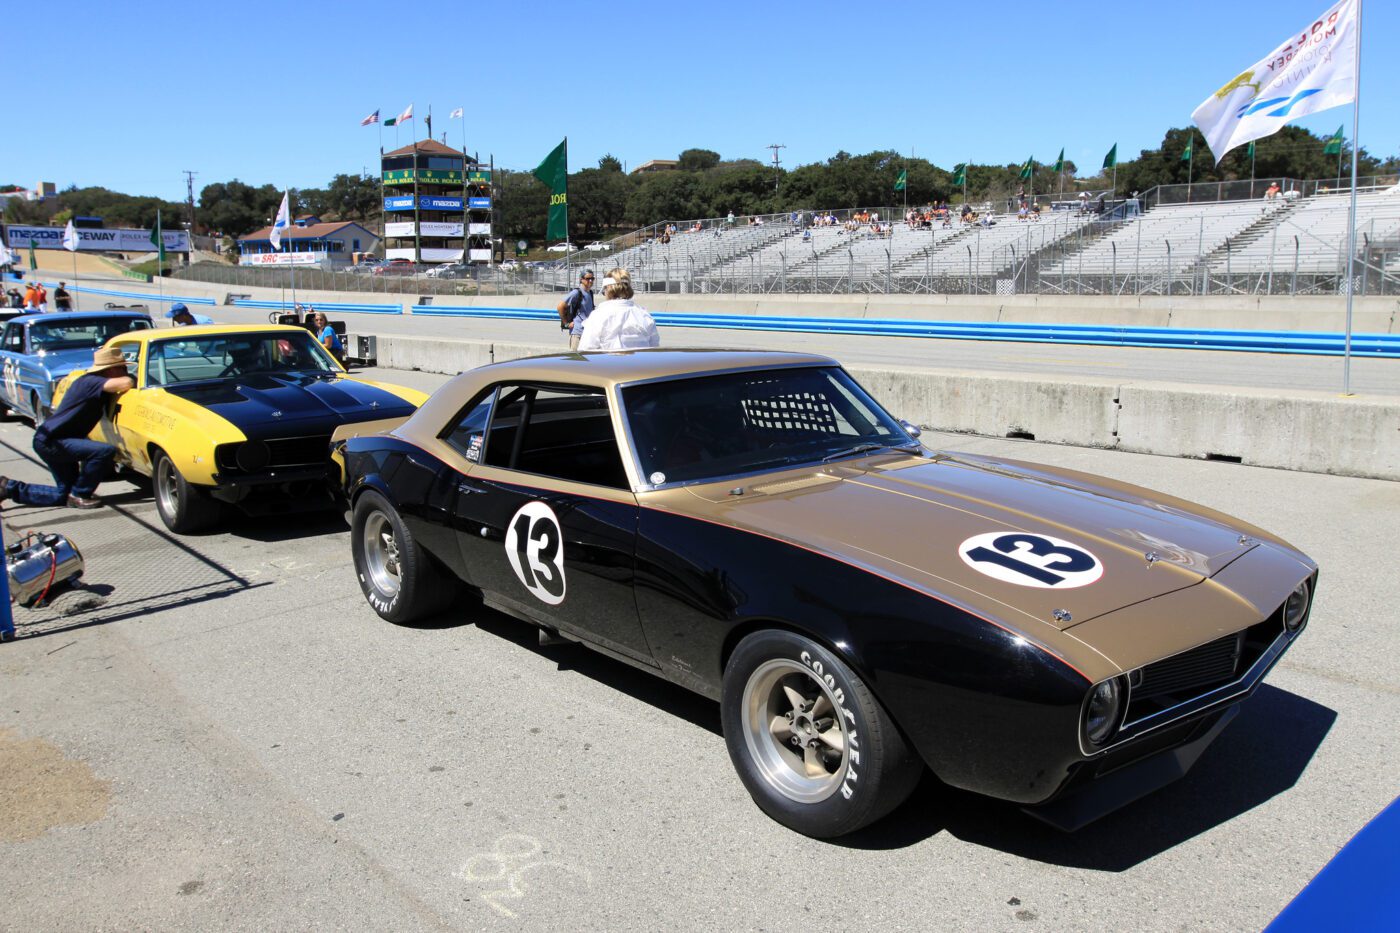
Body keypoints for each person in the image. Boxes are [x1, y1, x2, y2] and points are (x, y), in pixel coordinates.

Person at [0, 346, 134, 510]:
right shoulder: (91, 382)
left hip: (56, 439)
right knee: (103, 451)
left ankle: (7, 488)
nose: (126, 371)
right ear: (111, 369)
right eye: (123, 367)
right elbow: (126, 382)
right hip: (53, 441)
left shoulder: (91, 381)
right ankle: (80, 494)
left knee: (63, 495)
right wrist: (131, 377)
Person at [578, 269, 659, 351]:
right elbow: (654, 348)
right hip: (641, 362)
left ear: (608, 289)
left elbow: (586, 350)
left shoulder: (598, 316)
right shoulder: (643, 315)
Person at [556, 269, 596, 351]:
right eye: (588, 278)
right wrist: (566, 323)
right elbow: (560, 306)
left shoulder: (590, 293)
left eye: (592, 278)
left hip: (587, 332)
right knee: (576, 360)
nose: (591, 281)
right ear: (581, 279)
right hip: (577, 333)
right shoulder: (576, 292)